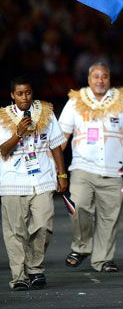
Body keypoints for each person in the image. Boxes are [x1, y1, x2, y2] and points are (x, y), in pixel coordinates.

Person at [59, 62, 123, 273]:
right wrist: (55, 165)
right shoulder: (75, 102)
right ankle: (81, 246)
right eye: (96, 76)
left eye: (104, 76)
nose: (100, 80)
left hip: (114, 169)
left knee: (109, 216)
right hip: (82, 167)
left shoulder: (122, 103)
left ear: (109, 79)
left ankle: (103, 260)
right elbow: (62, 138)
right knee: (78, 207)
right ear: (88, 80)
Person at [0, 76, 67, 291]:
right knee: (16, 231)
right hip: (13, 180)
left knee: (44, 225)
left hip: (42, 178)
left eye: (27, 92)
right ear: (12, 96)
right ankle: (20, 275)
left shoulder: (45, 113)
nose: (24, 97)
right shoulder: (3, 117)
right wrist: (18, 132)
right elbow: (3, 150)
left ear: (32, 93)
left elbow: (56, 145)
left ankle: (35, 267)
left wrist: (62, 174)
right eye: (19, 93)